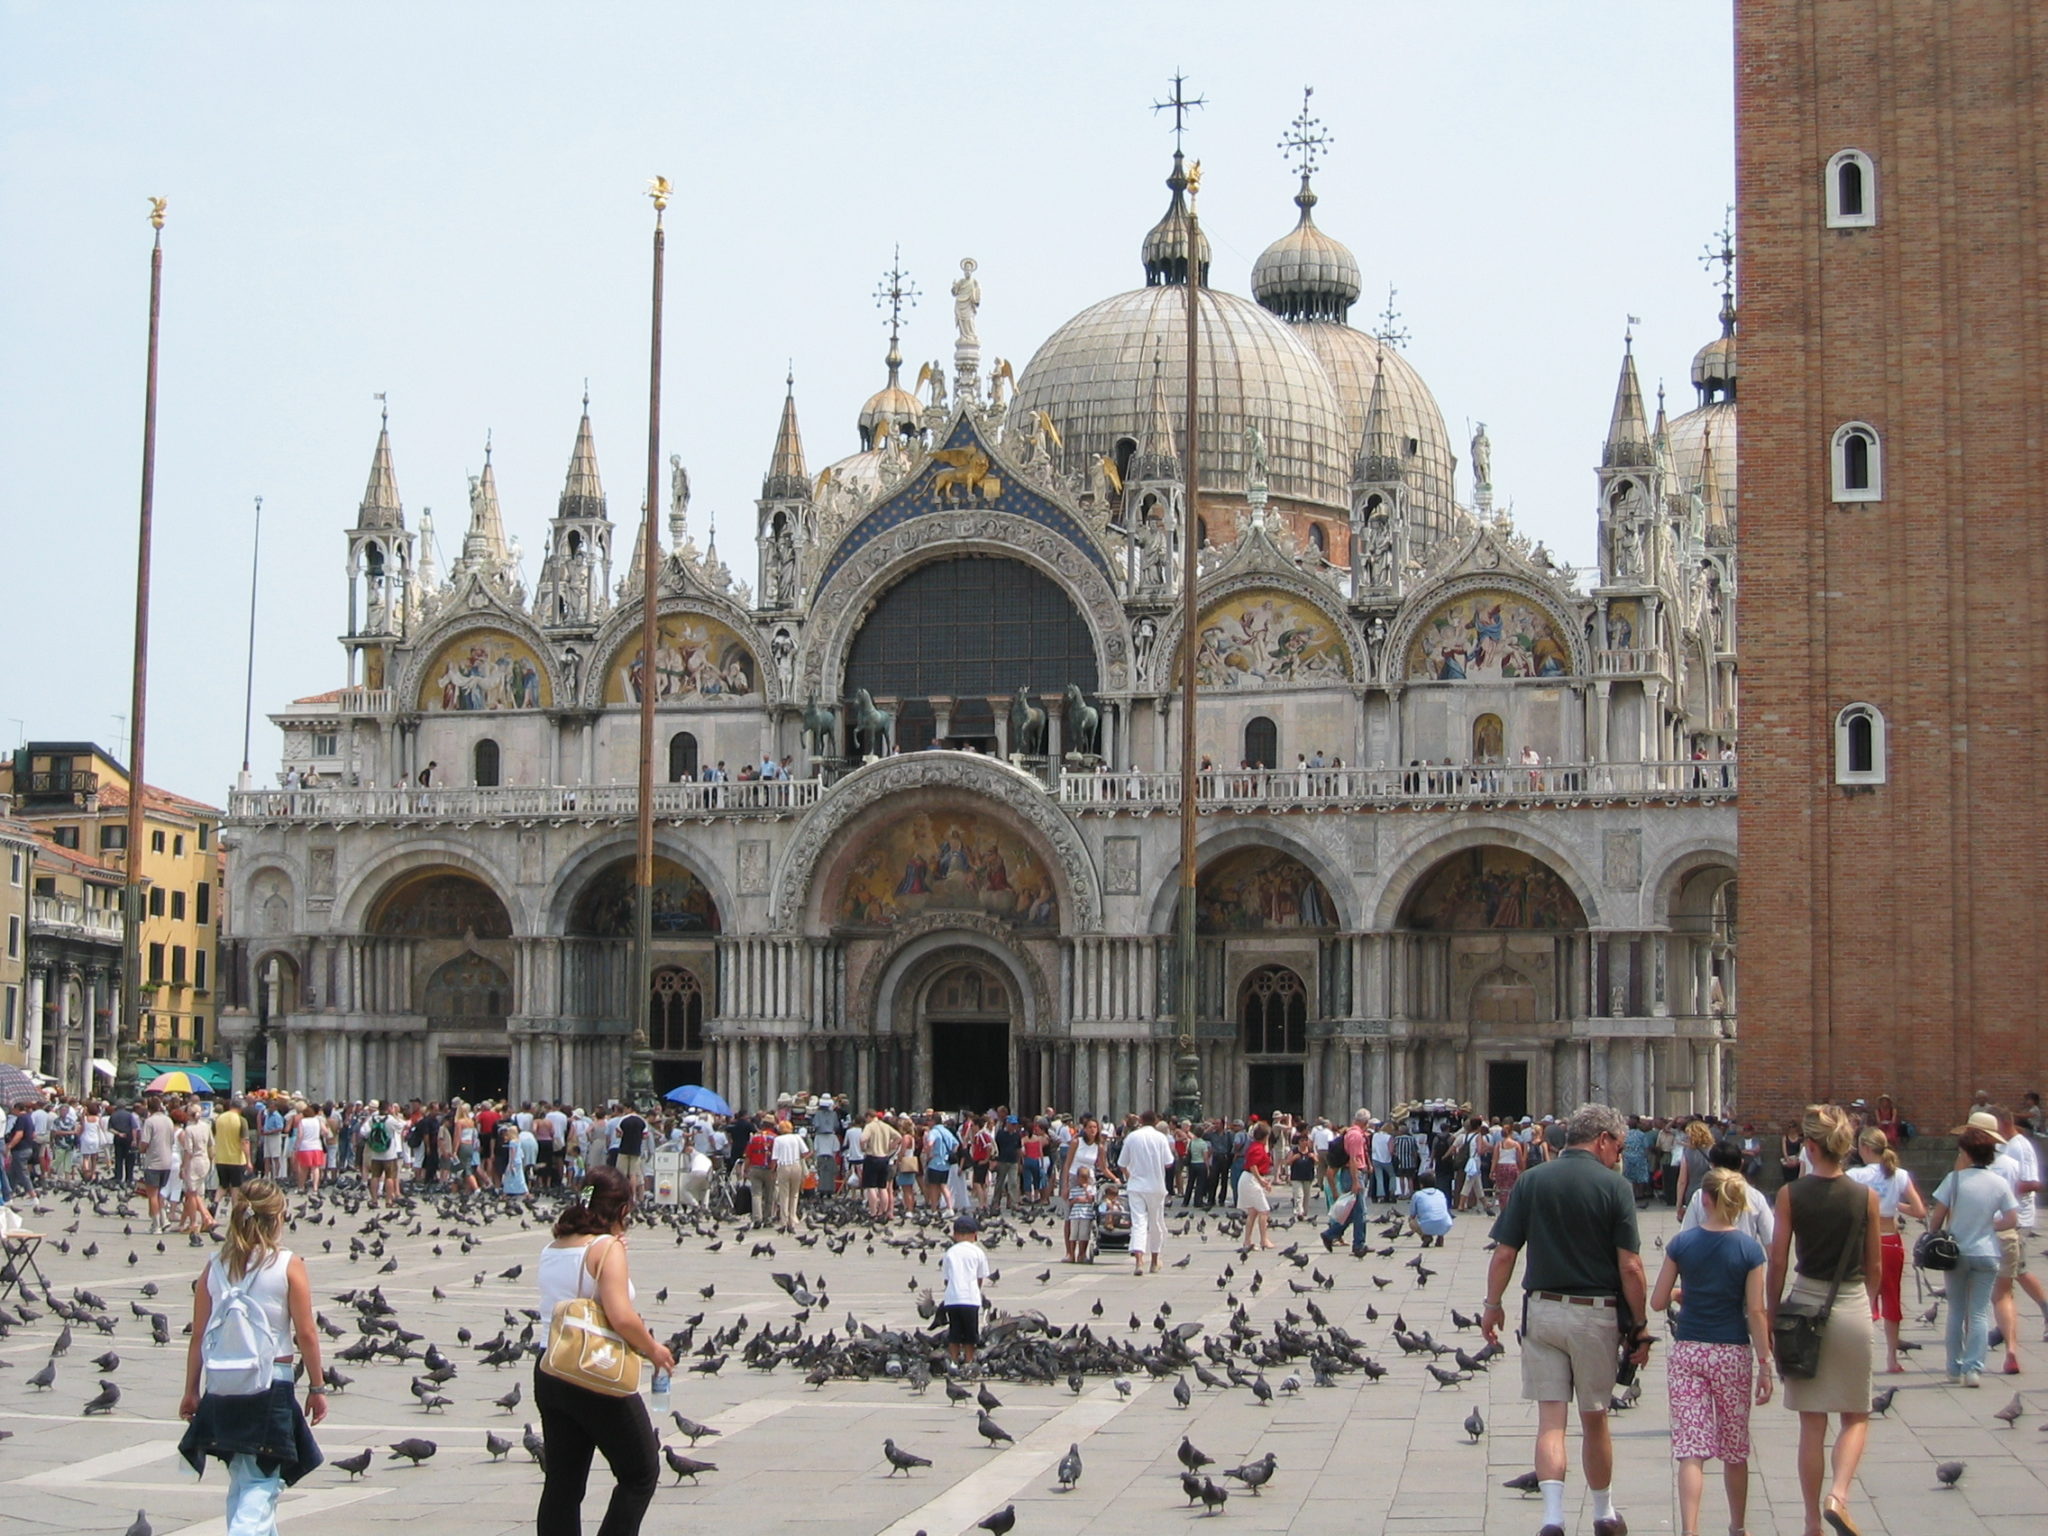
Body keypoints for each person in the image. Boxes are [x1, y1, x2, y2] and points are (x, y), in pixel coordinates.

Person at [1480, 1103, 1646, 1536]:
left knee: (1551, 1421)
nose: (1619, 1156)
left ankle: (1553, 1518)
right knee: (1595, 1417)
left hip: (1543, 1310)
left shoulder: (1533, 1180)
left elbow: (1504, 1252)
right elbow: (1630, 1266)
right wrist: (1641, 1323)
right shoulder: (1615, 1186)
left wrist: (1492, 1304)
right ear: (1603, 1140)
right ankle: (1604, 1513)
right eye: (1619, 1147)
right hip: (1595, 1314)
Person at [176, 1179, 325, 1534]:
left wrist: (191, 1390)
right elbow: (306, 1332)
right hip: (271, 1380)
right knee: (261, 1481)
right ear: (277, 1218)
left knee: (244, 1477)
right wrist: (317, 1387)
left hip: (224, 1383)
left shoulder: (214, 1266)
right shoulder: (288, 1264)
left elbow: (198, 1335)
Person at [534, 1167, 673, 1536]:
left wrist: (612, 1247)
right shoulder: (606, 1248)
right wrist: (654, 1350)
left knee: (563, 1482)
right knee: (641, 1472)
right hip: (593, 1367)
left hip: (551, 1367)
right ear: (623, 1210)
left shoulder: (555, 1245)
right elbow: (621, 1317)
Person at [1764, 1103, 1882, 1536]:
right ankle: (1840, 1494)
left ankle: (1812, 1522)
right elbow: (1875, 1270)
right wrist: (1861, 1306)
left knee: (1812, 1423)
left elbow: (1777, 1263)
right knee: (1856, 1414)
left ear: (1809, 1146)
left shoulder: (1790, 1195)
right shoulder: (1865, 1196)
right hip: (1850, 1305)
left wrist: (1773, 1316)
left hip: (1803, 1305)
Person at [1651, 1167, 1772, 1536]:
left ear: (1703, 1200)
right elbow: (1755, 1310)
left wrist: (1680, 1293)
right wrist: (1765, 1362)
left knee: (1691, 1449)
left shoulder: (1681, 1245)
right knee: (1734, 1448)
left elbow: (1657, 1302)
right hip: (1732, 1351)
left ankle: (1690, 1529)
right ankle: (1737, 1527)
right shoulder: (1750, 1250)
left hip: (1689, 1349)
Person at [1928, 1124, 2020, 1387]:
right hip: (1987, 1253)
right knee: (1979, 1312)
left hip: (1956, 1252)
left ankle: (1953, 1368)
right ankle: (1973, 1369)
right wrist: (1991, 1226)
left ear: (1966, 1153)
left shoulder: (1954, 1179)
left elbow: (1937, 1216)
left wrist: (1932, 1234)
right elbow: (2012, 1218)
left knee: (1956, 1310)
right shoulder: (1999, 1182)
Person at [1846, 1127, 1926, 1374]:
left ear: (1865, 1148)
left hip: (1864, 1241)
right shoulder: (1899, 1174)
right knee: (1892, 1297)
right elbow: (1920, 1210)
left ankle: (1861, 1357)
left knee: (1863, 1298)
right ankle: (1892, 1357)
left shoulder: (1855, 1175)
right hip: (1890, 1240)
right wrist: (1894, 1204)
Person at [1988, 1105, 2048, 1372]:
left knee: (2016, 1272)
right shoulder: (2006, 1145)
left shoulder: (2019, 1147)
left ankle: (2042, 1308)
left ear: (2002, 1123)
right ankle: (2004, 1328)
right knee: (2010, 1274)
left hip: (2017, 1219)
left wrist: (2002, 1188)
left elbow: (2033, 1183)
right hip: (2005, 1218)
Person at [1116, 1108, 1175, 1275]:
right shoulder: (1161, 1138)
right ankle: (1155, 1261)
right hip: (1156, 1186)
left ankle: (1139, 1261)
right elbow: (1169, 1163)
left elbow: (1122, 1163)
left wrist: (1129, 1175)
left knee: (1139, 1223)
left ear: (1141, 1121)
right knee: (1156, 1222)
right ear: (1156, 1121)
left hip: (1136, 1186)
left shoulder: (1132, 1137)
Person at [939, 1213, 992, 1369]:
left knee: (954, 1334)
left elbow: (947, 1278)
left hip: (953, 1299)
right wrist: (976, 1289)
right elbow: (981, 1276)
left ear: (955, 1235)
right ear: (975, 1235)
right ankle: (969, 1362)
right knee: (970, 1335)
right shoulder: (978, 1252)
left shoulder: (950, 1252)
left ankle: (954, 1362)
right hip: (970, 1299)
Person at [1321, 1110, 1373, 1255]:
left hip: (1351, 1174)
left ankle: (1330, 1234)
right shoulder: (1355, 1136)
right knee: (1361, 1212)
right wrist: (1356, 1181)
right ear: (1365, 1122)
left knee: (1352, 1211)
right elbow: (1353, 1159)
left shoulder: (1351, 1133)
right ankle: (1358, 1245)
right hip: (1352, 1175)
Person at [1061, 1118, 1106, 1263]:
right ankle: (1070, 1252)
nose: (1093, 1130)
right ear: (1084, 1129)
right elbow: (1067, 1165)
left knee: (1086, 1216)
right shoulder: (1076, 1142)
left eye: (1095, 1127)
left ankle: (1082, 1253)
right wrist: (1065, 1185)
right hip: (1074, 1177)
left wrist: (1117, 1179)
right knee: (1070, 1217)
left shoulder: (1099, 1146)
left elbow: (1103, 1167)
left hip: (1089, 1180)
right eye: (1090, 1127)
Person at [1235, 1120, 1276, 1256]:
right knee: (1264, 1210)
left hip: (1249, 1179)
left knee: (1253, 1211)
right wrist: (1261, 1181)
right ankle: (1264, 1240)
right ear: (1265, 1136)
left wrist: (1262, 1180)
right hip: (1251, 1180)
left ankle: (1247, 1241)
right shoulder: (1257, 1148)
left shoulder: (1255, 1146)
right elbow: (1253, 1166)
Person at [140, 1094, 179, 1231]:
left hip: (153, 1162)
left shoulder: (149, 1122)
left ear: (148, 1108)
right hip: (167, 1161)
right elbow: (172, 1140)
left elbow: (144, 1143)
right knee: (160, 1193)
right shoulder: (169, 1121)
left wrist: (141, 1149)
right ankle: (163, 1219)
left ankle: (156, 1224)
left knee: (152, 1195)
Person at [178, 1104, 217, 1234]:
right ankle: (191, 1222)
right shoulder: (206, 1126)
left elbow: (188, 1151)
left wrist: (183, 1167)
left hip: (194, 1161)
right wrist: (212, 1161)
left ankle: (196, 1222)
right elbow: (211, 1144)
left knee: (192, 1193)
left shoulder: (189, 1129)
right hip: (205, 1160)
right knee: (197, 1193)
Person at [771, 1117, 810, 1233]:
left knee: (784, 1194)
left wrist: (772, 1170)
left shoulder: (778, 1140)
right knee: (794, 1194)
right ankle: (792, 1219)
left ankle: (784, 1220)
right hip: (796, 1165)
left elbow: (774, 1158)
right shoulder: (797, 1137)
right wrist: (799, 1157)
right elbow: (806, 1152)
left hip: (783, 1166)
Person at [1408, 1181, 1454, 1247]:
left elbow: (1412, 1215)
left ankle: (1425, 1236)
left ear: (1421, 1185)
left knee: (1411, 1220)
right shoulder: (1440, 1193)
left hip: (1427, 1226)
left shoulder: (1417, 1194)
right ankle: (1440, 1236)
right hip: (1445, 1224)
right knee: (1440, 1213)